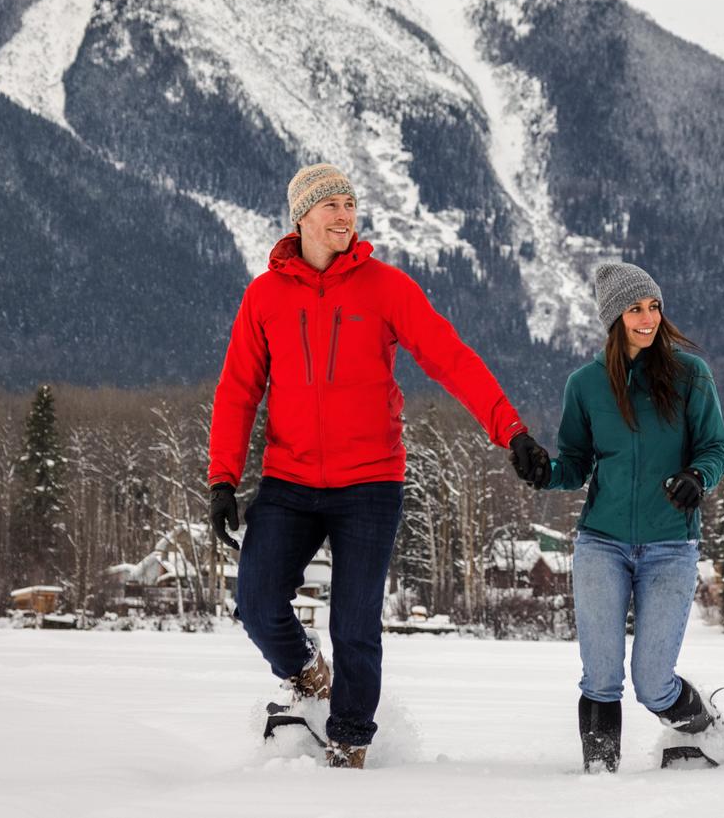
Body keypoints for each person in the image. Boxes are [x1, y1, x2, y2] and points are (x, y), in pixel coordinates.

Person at [207, 162, 551, 768]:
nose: (344, 215)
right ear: (302, 217)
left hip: (370, 482)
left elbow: (451, 359)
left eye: (350, 203)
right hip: (289, 480)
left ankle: (349, 741)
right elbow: (238, 390)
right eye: (331, 205)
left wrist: (512, 429)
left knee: (356, 622)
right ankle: (306, 672)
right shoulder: (264, 296)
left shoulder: (386, 287)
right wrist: (222, 479)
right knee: (258, 602)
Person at [530, 262, 724, 772]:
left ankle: (710, 734)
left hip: (671, 547)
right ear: (613, 317)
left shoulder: (691, 375)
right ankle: (600, 782)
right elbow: (574, 465)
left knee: (652, 680)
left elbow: (715, 447)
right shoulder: (586, 385)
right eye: (635, 308)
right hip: (602, 544)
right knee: (600, 676)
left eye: (654, 306)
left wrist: (697, 478)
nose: (648, 318)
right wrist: (543, 472)